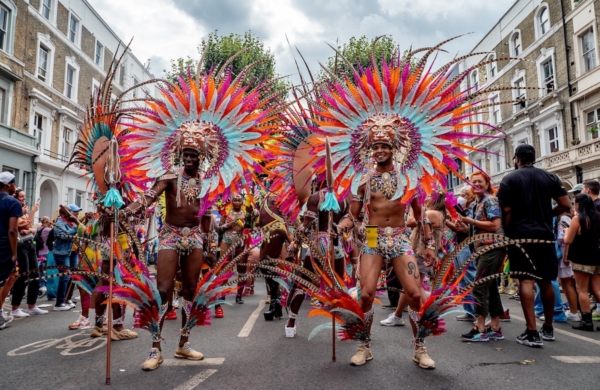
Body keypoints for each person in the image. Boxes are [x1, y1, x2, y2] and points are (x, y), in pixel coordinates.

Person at [340, 139, 436, 368]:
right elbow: (353, 217)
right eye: (375, 146)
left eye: (384, 146)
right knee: (366, 295)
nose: (379, 150)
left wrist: (430, 243)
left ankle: (420, 348)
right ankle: (364, 347)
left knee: (414, 294)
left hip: (400, 237)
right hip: (373, 235)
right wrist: (340, 227)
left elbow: (421, 215)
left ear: (394, 150)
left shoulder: (408, 179)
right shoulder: (362, 181)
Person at [497, 144, 571, 347]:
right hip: (545, 236)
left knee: (526, 282)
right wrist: (548, 214)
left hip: (520, 237)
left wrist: (508, 234)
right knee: (546, 281)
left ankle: (531, 332)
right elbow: (566, 205)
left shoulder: (509, 179)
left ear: (517, 159)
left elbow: (507, 210)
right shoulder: (551, 177)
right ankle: (548, 328)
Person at [380, 193, 448, 327]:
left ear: (435, 199)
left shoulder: (433, 213)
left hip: (421, 253)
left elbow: (410, 222)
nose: (426, 198)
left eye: (428, 196)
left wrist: (413, 205)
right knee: (412, 286)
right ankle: (401, 315)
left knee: (412, 286)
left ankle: (427, 314)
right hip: (420, 252)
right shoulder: (437, 213)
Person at [458, 172, 505, 342]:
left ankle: (479, 328)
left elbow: (495, 225)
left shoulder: (490, 200)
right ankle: (495, 327)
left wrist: (472, 222)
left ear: (487, 183)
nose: (476, 184)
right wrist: (464, 223)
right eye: (474, 181)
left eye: (480, 181)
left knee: (479, 286)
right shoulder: (477, 203)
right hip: (481, 248)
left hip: (491, 247)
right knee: (490, 287)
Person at [563, 193, 600, 331]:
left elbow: (568, 240)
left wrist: (566, 230)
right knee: (597, 289)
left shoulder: (578, 219)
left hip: (581, 257)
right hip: (596, 256)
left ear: (578, 204)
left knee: (582, 289)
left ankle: (587, 321)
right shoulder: (597, 217)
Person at [10, 188, 47, 317]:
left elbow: (31, 228)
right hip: (21, 246)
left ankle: (32, 305)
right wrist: (31, 213)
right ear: (15, 198)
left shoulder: (22, 211)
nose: (24, 198)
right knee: (23, 276)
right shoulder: (15, 210)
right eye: (21, 196)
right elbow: (23, 225)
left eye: (24, 196)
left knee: (35, 275)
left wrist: (29, 229)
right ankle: (15, 308)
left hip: (31, 245)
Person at [0, 172, 22, 329]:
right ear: (8, 185)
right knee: (3, 280)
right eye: (14, 183)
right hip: (4, 246)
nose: (15, 186)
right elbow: (13, 230)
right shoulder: (12, 203)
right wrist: (14, 252)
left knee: (13, 276)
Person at [52, 204, 81, 311]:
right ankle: (59, 303)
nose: (74, 215)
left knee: (72, 277)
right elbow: (65, 236)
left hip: (72, 252)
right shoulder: (59, 223)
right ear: (64, 213)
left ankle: (67, 298)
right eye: (70, 212)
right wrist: (77, 227)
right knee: (64, 277)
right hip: (61, 253)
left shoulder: (71, 223)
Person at [35, 216, 54, 298]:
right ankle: (44, 286)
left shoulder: (39, 229)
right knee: (46, 270)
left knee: (41, 270)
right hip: (46, 252)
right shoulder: (47, 230)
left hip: (40, 252)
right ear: (47, 222)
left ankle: (41, 285)